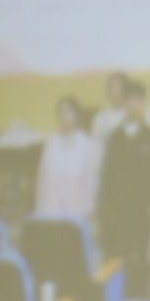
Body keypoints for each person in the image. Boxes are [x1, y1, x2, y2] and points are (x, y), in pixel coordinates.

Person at [95, 80, 150, 300]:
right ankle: (119, 299)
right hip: (118, 209)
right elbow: (108, 175)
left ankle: (138, 298)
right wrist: (105, 205)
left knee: (141, 253)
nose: (134, 105)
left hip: (142, 209)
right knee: (118, 253)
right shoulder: (115, 137)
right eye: (130, 100)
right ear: (123, 104)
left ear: (144, 104)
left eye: (139, 101)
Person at [34, 95, 97, 224]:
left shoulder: (87, 144)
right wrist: (40, 208)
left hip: (78, 210)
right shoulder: (51, 143)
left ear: (77, 115)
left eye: (68, 111)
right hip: (51, 209)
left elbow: (91, 179)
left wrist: (89, 209)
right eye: (61, 112)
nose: (64, 116)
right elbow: (42, 179)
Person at [91, 72, 129, 144]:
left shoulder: (132, 115)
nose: (115, 91)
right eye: (112, 87)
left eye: (118, 86)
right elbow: (95, 143)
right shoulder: (101, 116)